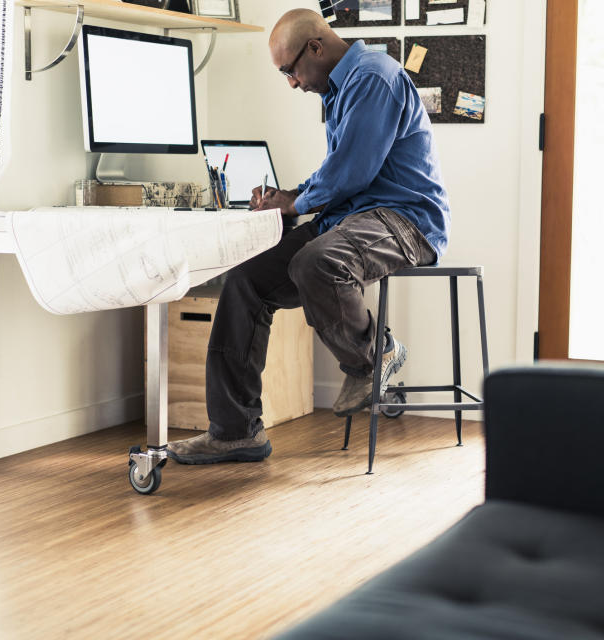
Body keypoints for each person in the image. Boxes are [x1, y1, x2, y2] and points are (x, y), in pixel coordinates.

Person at [166, 8, 450, 465]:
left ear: (315, 48)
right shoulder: (341, 87)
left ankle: (375, 355)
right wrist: (291, 196)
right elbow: (343, 175)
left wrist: (294, 203)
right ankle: (236, 432)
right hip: (351, 219)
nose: (293, 83)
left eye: (290, 70)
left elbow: (354, 169)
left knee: (317, 261)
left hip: (406, 220)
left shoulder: (374, 78)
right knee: (245, 279)